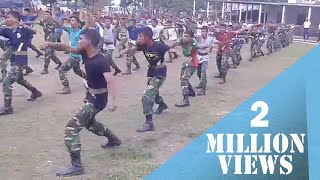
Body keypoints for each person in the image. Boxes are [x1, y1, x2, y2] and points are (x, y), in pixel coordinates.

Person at [43, 29, 121, 177]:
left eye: (81, 39)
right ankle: (113, 139)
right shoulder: (85, 53)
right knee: (90, 123)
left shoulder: (100, 60)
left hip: (98, 100)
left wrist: (113, 101)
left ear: (89, 42)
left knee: (72, 127)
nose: (78, 41)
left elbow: (110, 80)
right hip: (91, 96)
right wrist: (50, 44)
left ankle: (77, 166)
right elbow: (67, 47)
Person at [120, 27, 177, 132]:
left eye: (140, 36)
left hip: (160, 73)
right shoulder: (142, 46)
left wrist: (175, 52)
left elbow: (170, 49)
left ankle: (149, 123)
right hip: (151, 71)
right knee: (153, 92)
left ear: (147, 37)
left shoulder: (159, 46)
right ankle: (162, 104)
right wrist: (125, 50)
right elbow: (132, 49)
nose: (139, 38)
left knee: (147, 95)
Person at [0, 11, 42, 116]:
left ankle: (7, 108)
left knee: (6, 82)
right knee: (20, 80)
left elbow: (35, 32)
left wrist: (25, 26)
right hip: (14, 59)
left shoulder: (23, 30)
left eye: (8, 17)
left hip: (20, 60)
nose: (6, 18)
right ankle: (35, 92)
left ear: (15, 19)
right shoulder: (9, 31)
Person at [53, 10, 89, 94]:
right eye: (70, 21)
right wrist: (54, 17)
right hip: (72, 55)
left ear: (77, 23)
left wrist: (86, 15)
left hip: (76, 56)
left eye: (73, 21)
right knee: (76, 70)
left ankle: (66, 87)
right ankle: (89, 78)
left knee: (62, 69)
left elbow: (86, 25)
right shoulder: (70, 30)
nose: (71, 22)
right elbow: (61, 25)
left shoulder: (80, 31)